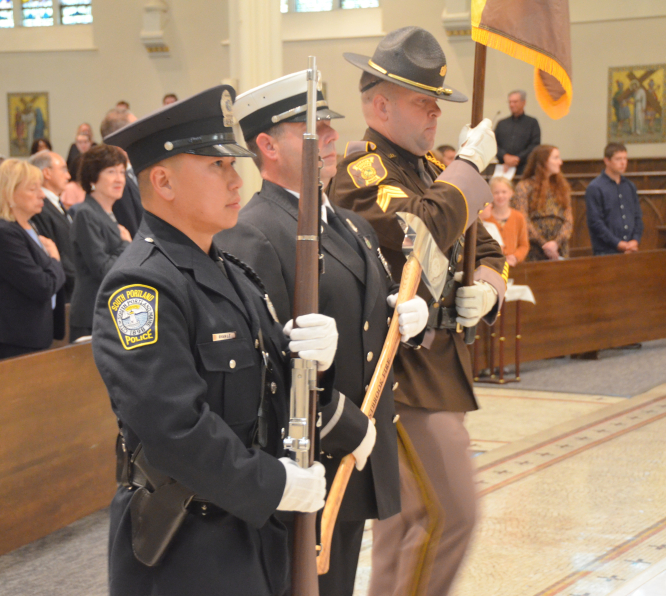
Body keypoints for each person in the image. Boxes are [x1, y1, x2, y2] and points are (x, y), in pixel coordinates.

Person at [98, 84, 337, 596]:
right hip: (186, 541)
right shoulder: (141, 286)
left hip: (247, 529)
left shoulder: (228, 271)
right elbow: (173, 427)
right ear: (162, 181)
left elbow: (274, 386)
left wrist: (316, 356)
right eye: (216, 166)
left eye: (235, 165)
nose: (236, 179)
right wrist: (274, 485)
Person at [217, 71, 430, 596]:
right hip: (312, 454)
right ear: (266, 145)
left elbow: (367, 322)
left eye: (331, 124)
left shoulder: (350, 226)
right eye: (312, 127)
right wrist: (344, 427)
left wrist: (411, 323)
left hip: (355, 451)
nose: (332, 136)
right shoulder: (255, 230)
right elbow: (270, 364)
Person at [330, 26, 507, 596]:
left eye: (437, 102)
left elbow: (488, 246)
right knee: (451, 515)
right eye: (421, 102)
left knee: (404, 522)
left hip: (438, 368)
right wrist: (467, 174)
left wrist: (488, 287)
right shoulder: (359, 174)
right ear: (380, 105)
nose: (435, 114)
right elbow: (418, 236)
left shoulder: (432, 167)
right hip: (396, 373)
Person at [0, 159, 65, 363]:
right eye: (33, 189)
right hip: (8, 337)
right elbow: (42, 286)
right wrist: (55, 260)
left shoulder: (28, 226)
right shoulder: (2, 233)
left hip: (31, 332)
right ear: (9, 193)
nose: (41, 194)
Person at [69, 144, 130, 341]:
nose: (119, 178)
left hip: (109, 310)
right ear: (93, 177)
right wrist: (125, 244)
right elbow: (102, 268)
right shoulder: (86, 214)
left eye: (122, 172)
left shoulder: (108, 212)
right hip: (92, 314)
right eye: (111, 172)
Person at [29, 150, 76, 301]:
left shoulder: (56, 203)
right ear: (47, 173)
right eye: (63, 169)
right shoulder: (40, 208)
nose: (68, 176)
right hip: (63, 287)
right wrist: (78, 280)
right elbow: (54, 249)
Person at [512, 144, 573, 261]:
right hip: (534, 247)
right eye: (556, 158)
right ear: (543, 161)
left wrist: (556, 243)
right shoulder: (524, 187)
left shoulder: (562, 187)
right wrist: (544, 244)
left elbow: (568, 220)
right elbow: (522, 219)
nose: (560, 162)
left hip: (559, 247)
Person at [585, 142, 643, 255]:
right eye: (618, 159)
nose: (623, 163)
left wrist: (635, 240)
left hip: (631, 249)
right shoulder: (595, 187)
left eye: (625, 159)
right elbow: (595, 223)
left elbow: (637, 217)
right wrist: (618, 244)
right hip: (606, 251)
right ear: (607, 161)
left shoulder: (630, 186)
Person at [100, 107, 145, 236]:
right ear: (121, 136)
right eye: (136, 130)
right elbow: (131, 226)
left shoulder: (131, 169)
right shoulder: (115, 178)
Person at [482, 177, 529, 267]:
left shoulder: (519, 217)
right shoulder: (485, 217)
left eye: (504, 192)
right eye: (496, 193)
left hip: (514, 266)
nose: (500, 196)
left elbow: (524, 245)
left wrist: (515, 257)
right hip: (492, 265)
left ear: (511, 193)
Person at [494, 90, 541, 176]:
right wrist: (504, 156)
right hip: (504, 167)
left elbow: (535, 145)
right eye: (510, 102)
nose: (511, 105)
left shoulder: (532, 123)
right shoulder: (502, 123)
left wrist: (518, 158)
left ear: (524, 103)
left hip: (525, 168)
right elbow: (493, 144)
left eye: (515, 102)